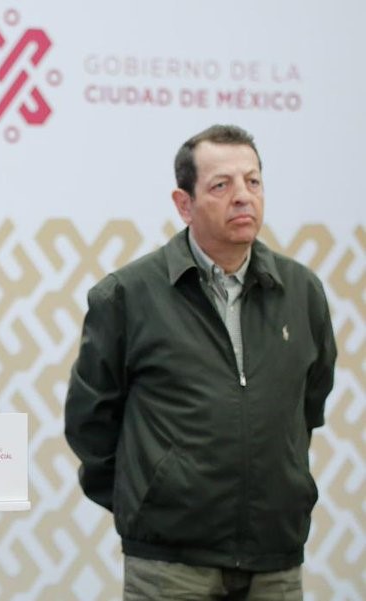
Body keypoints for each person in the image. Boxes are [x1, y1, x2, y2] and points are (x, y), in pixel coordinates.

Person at [63, 124, 336, 600]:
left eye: (253, 181)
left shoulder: (302, 292)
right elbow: (90, 423)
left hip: (275, 557)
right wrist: (151, 501)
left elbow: (308, 405)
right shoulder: (128, 295)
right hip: (170, 563)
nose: (243, 196)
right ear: (184, 204)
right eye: (221, 185)